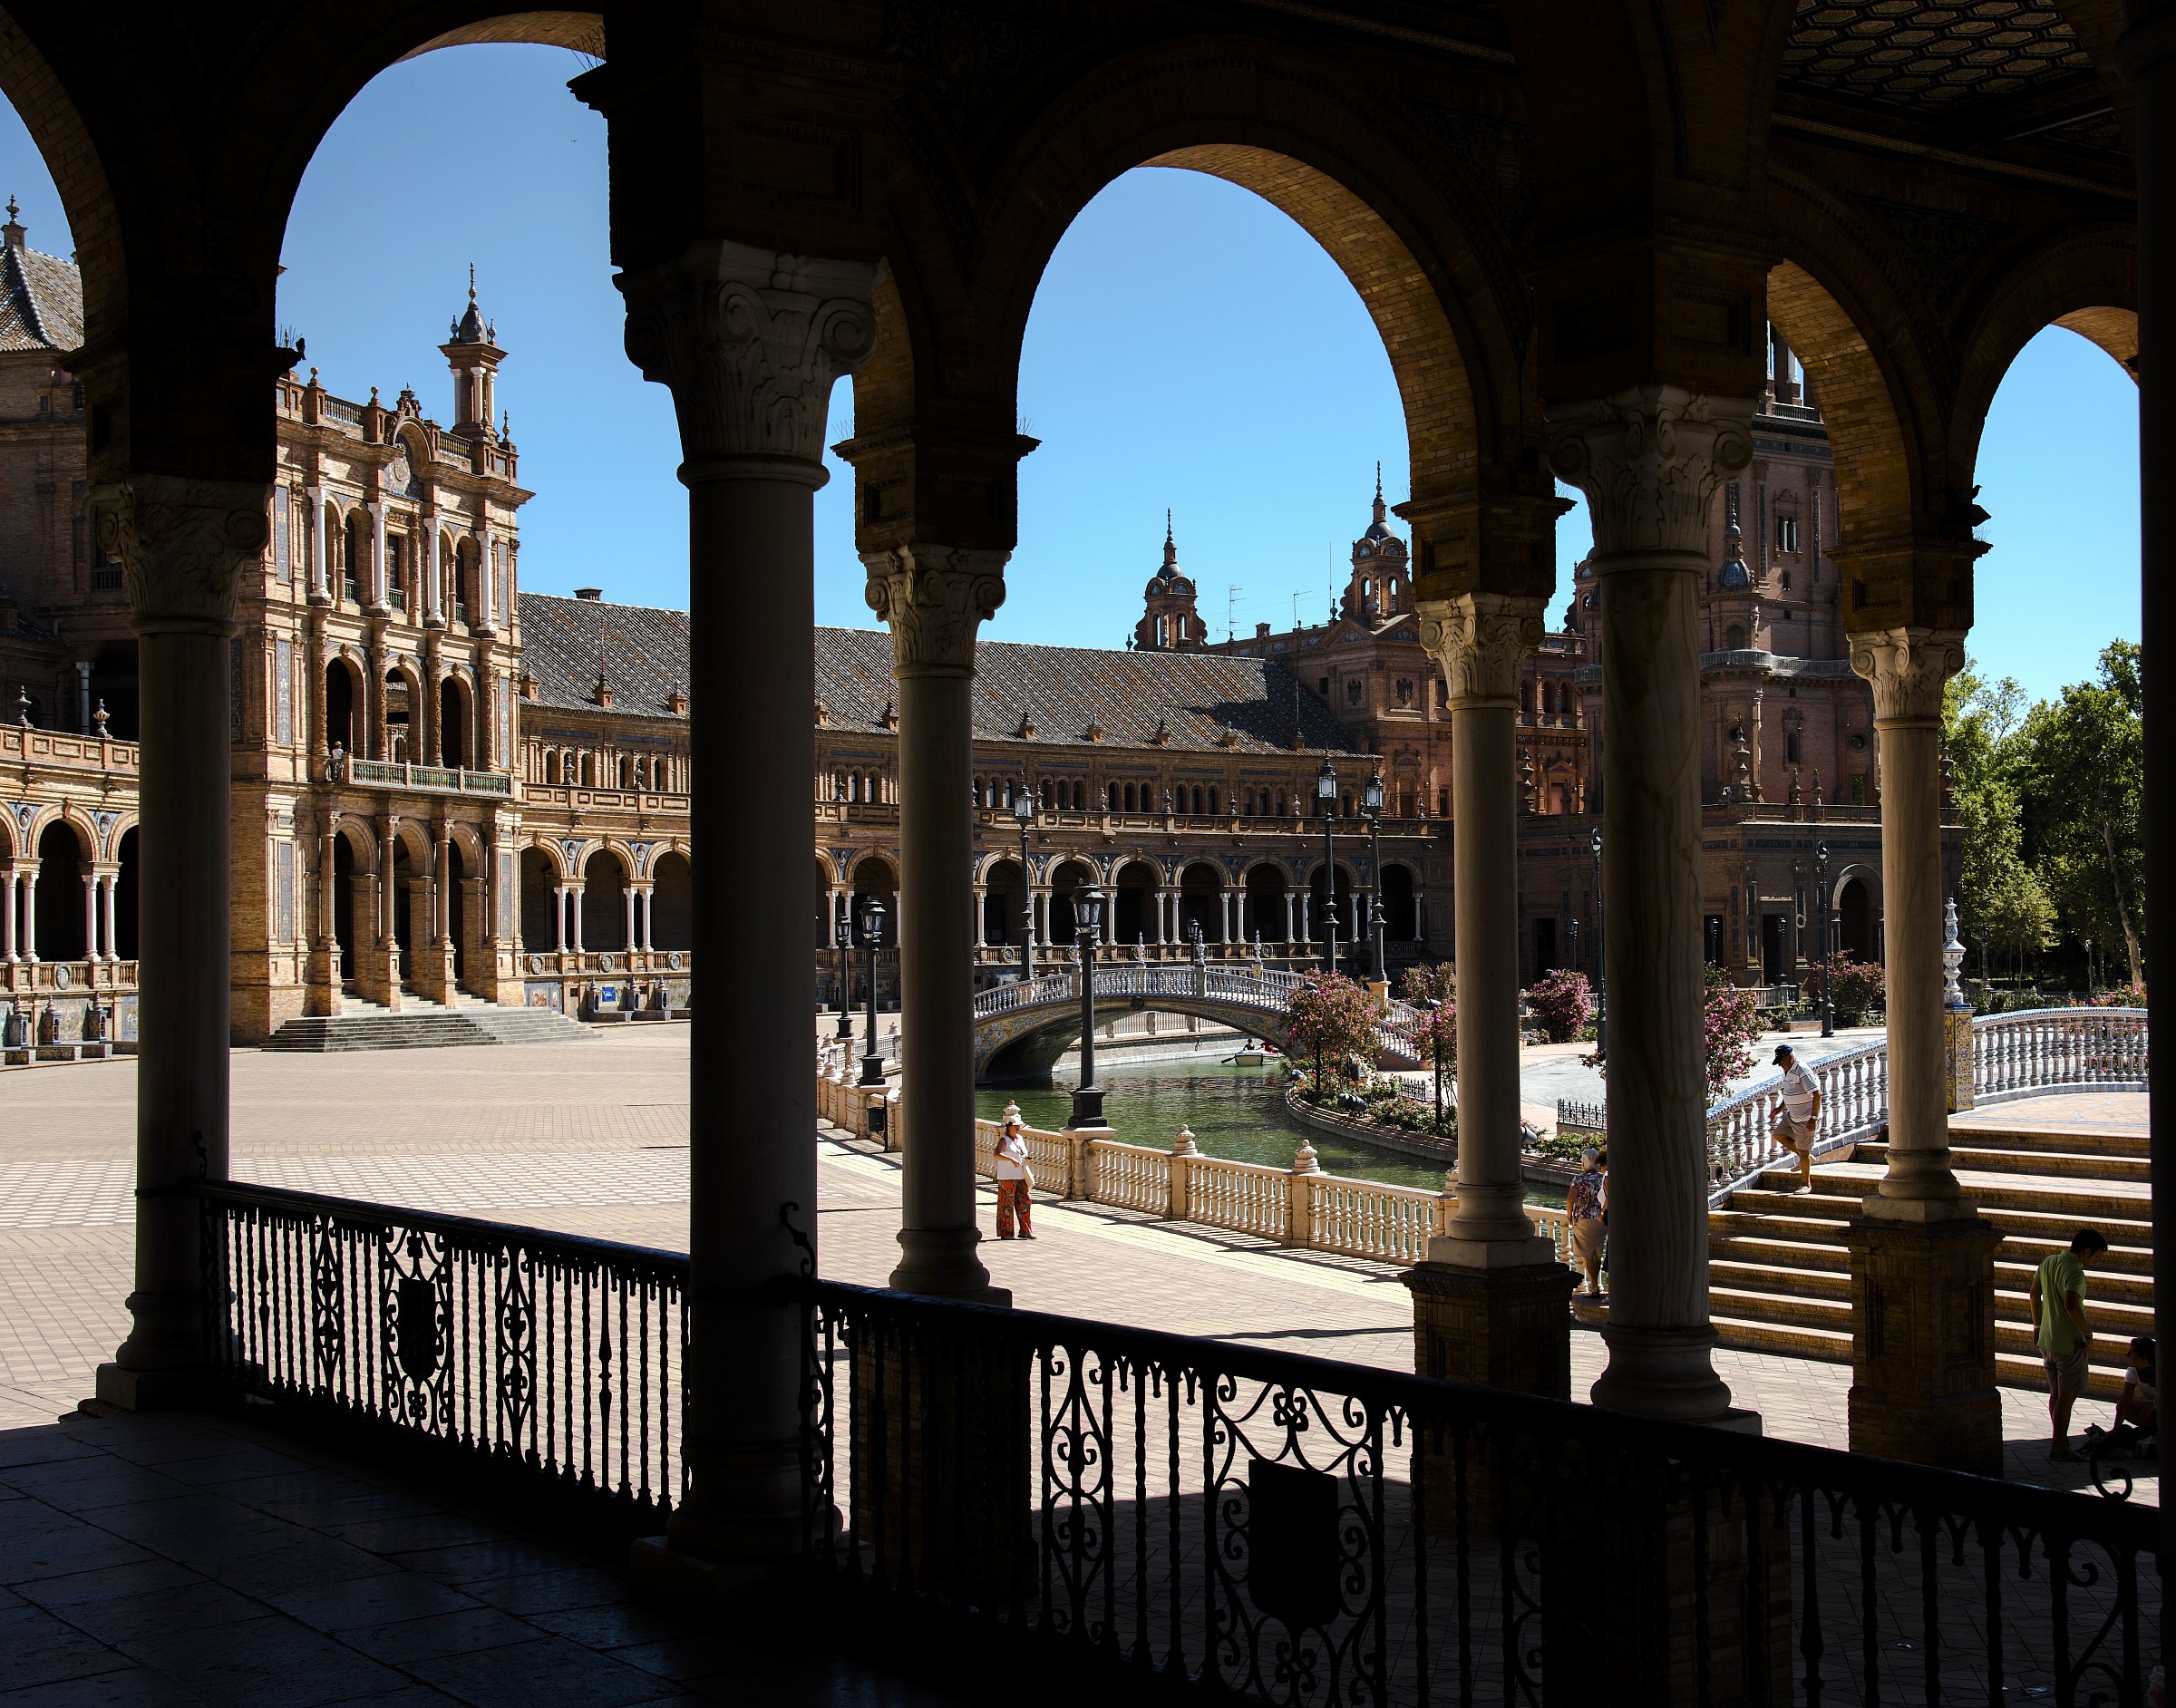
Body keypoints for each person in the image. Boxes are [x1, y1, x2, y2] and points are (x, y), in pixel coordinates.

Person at [2030, 1227, 2109, 1461]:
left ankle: (2060, 1442)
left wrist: (2037, 1326)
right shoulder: (2075, 1272)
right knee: (2066, 1397)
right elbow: (2071, 1305)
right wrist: (2088, 1334)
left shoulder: (2049, 1262)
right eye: (2096, 1256)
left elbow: (2034, 1294)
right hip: (2069, 1343)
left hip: (2047, 1340)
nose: (2097, 1261)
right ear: (2087, 1251)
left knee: (2056, 1394)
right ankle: (2060, 1448)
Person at [2087, 1336, 2157, 1459]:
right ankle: (2153, 1431)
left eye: (2131, 1353)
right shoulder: (2133, 1371)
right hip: (2155, 1406)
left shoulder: (2161, 1370)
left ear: (2144, 1358)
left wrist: (2154, 1406)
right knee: (2124, 1408)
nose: (2127, 1355)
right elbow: (2125, 1401)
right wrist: (2115, 1429)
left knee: (2150, 1414)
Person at [1770, 1043, 1821, 1192]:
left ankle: (1806, 1185)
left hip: (1805, 1118)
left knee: (1804, 1151)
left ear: (1790, 1057)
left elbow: (1817, 1094)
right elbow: (1790, 1092)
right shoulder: (1788, 1071)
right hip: (1792, 1115)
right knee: (1779, 1134)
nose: (1780, 1065)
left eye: (1781, 1061)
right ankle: (1804, 1156)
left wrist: (1813, 1118)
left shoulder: (1802, 1070)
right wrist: (1779, 1109)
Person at [1566, 1147, 1608, 1296]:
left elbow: (1570, 1199)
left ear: (1585, 1162)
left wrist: (1569, 1216)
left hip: (1584, 1219)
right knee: (1597, 1254)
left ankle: (1595, 1287)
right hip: (1602, 1220)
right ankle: (1596, 1286)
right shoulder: (1602, 1177)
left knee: (1588, 1255)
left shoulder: (1579, 1178)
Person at [994, 1117, 1035, 1240]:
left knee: (1025, 1202)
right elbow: (996, 1154)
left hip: (1020, 1176)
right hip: (1007, 1177)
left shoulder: (1020, 1139)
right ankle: (1005, 1232)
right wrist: (1010, 1159)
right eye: (1015, 1126)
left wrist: (1027, 1158)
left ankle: (1025, 1230)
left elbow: (1022, 1154)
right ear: (1009, 1127)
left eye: (1019, 1126)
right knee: (1006, 1205)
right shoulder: (1004, 1140)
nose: (1018, 1129)